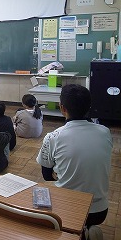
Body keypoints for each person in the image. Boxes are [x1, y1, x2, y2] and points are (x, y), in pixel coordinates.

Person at [36, 84, 112, 231]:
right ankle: (87, 231)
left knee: (40, 192)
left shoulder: (53, 137)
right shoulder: (105, 132)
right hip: (99, 210)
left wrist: (59, 174)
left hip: (68, 209)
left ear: (62, 107)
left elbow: (46, 176)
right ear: (89, 106)